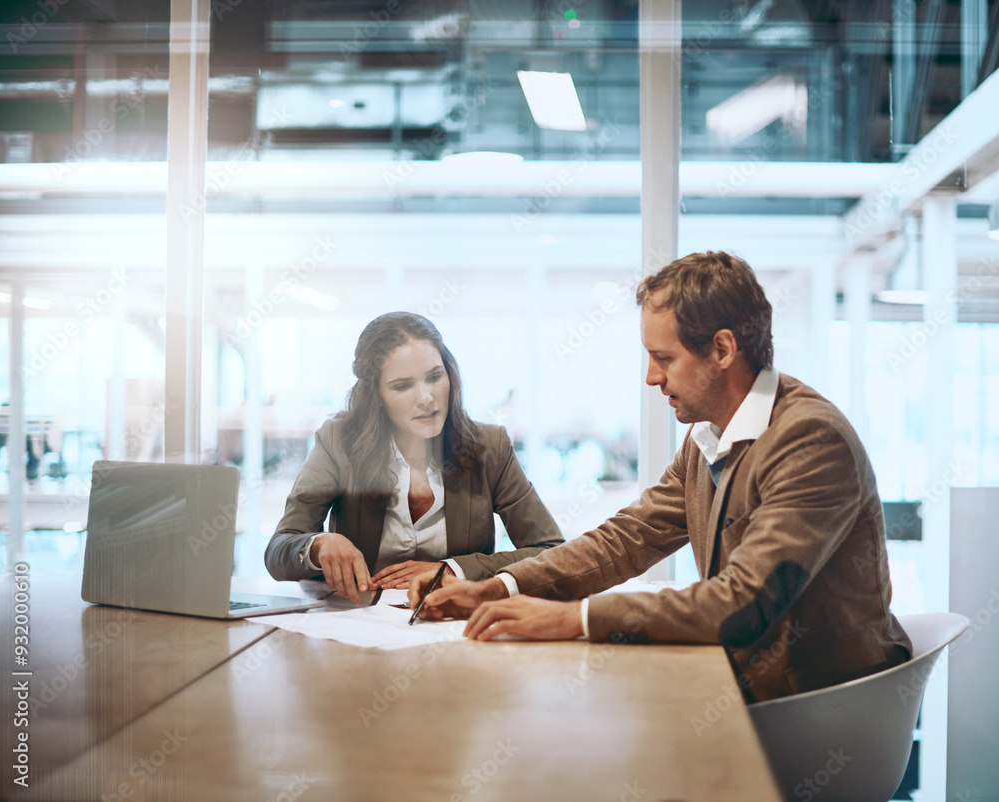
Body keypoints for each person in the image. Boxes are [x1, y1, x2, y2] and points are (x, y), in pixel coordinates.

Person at [411, 251, 912, 703]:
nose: (651, 377)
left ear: (721, 350)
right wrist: (501, 588)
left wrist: (573, 618)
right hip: (747, 686)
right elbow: (626, 539)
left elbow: (745, 602)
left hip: (820, 710)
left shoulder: (809, 440)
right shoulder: (710, 437)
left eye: (664, 358)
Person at [265, 311, 563, 603]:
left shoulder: (490, 446)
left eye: (434, 377)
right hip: (362, 627)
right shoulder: (338, 442)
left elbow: (551, 550)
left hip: (458, 625)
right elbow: (279, 549)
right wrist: (319, 545)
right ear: (377, 396)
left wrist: (452, 570)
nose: (426, 398)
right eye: (403, 386)